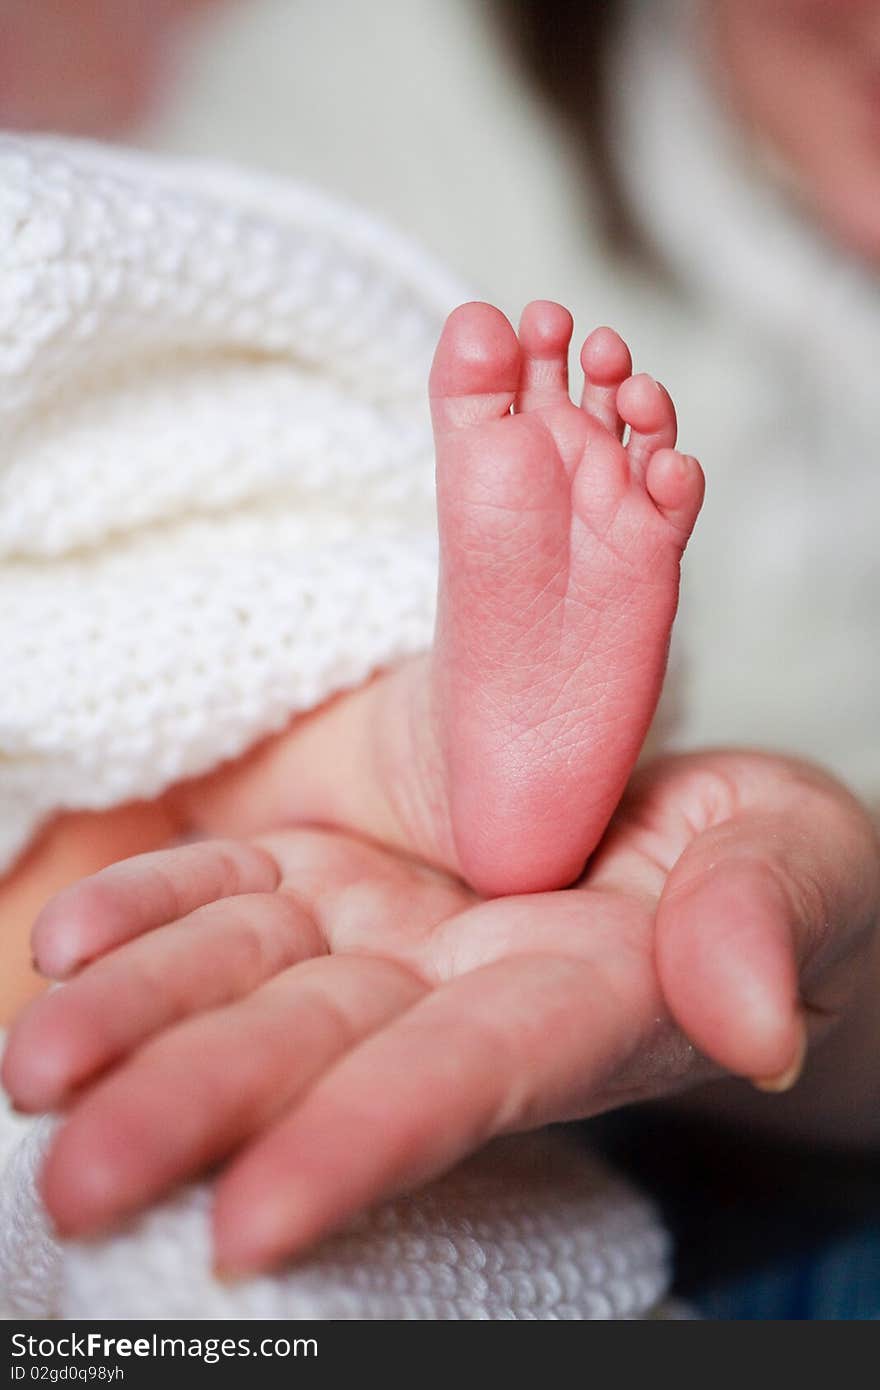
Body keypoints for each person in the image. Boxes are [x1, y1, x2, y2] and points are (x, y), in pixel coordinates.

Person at [2, 0, 880, 1316]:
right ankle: (414, 746)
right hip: (231, 794)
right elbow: (164, 416)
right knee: (174, 629)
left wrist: (844, 990)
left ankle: (414, 748)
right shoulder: (392, 68)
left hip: (716, 1114)